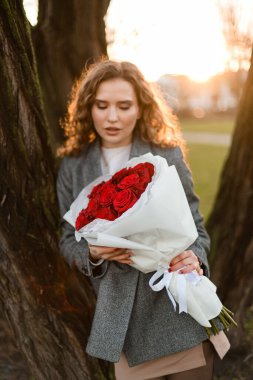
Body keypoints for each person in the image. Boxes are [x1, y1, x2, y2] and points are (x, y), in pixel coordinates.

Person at [56, 59, 230, 380]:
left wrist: (196, 261)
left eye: (124, 106)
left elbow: (196, 228)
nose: (112, 117)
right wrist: (91, 255)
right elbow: (68, 239)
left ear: (140, 109)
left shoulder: (167, 155)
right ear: (88, 108)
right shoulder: (73, 166)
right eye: (102, 105)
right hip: (120, 317)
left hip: (178, 305)